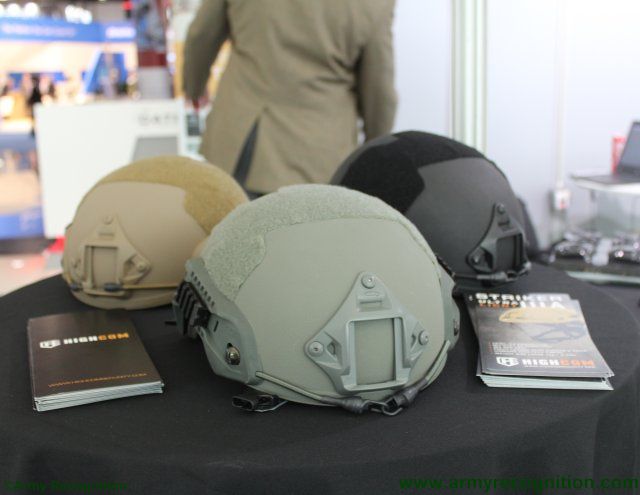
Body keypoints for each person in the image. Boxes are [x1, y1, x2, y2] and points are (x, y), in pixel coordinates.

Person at [183, 0, 397, 195]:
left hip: (241, 141)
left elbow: (201, 34)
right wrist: (373, 153)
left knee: (229, 220)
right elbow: (379, 91)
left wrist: (194, 87)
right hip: (320, 156)